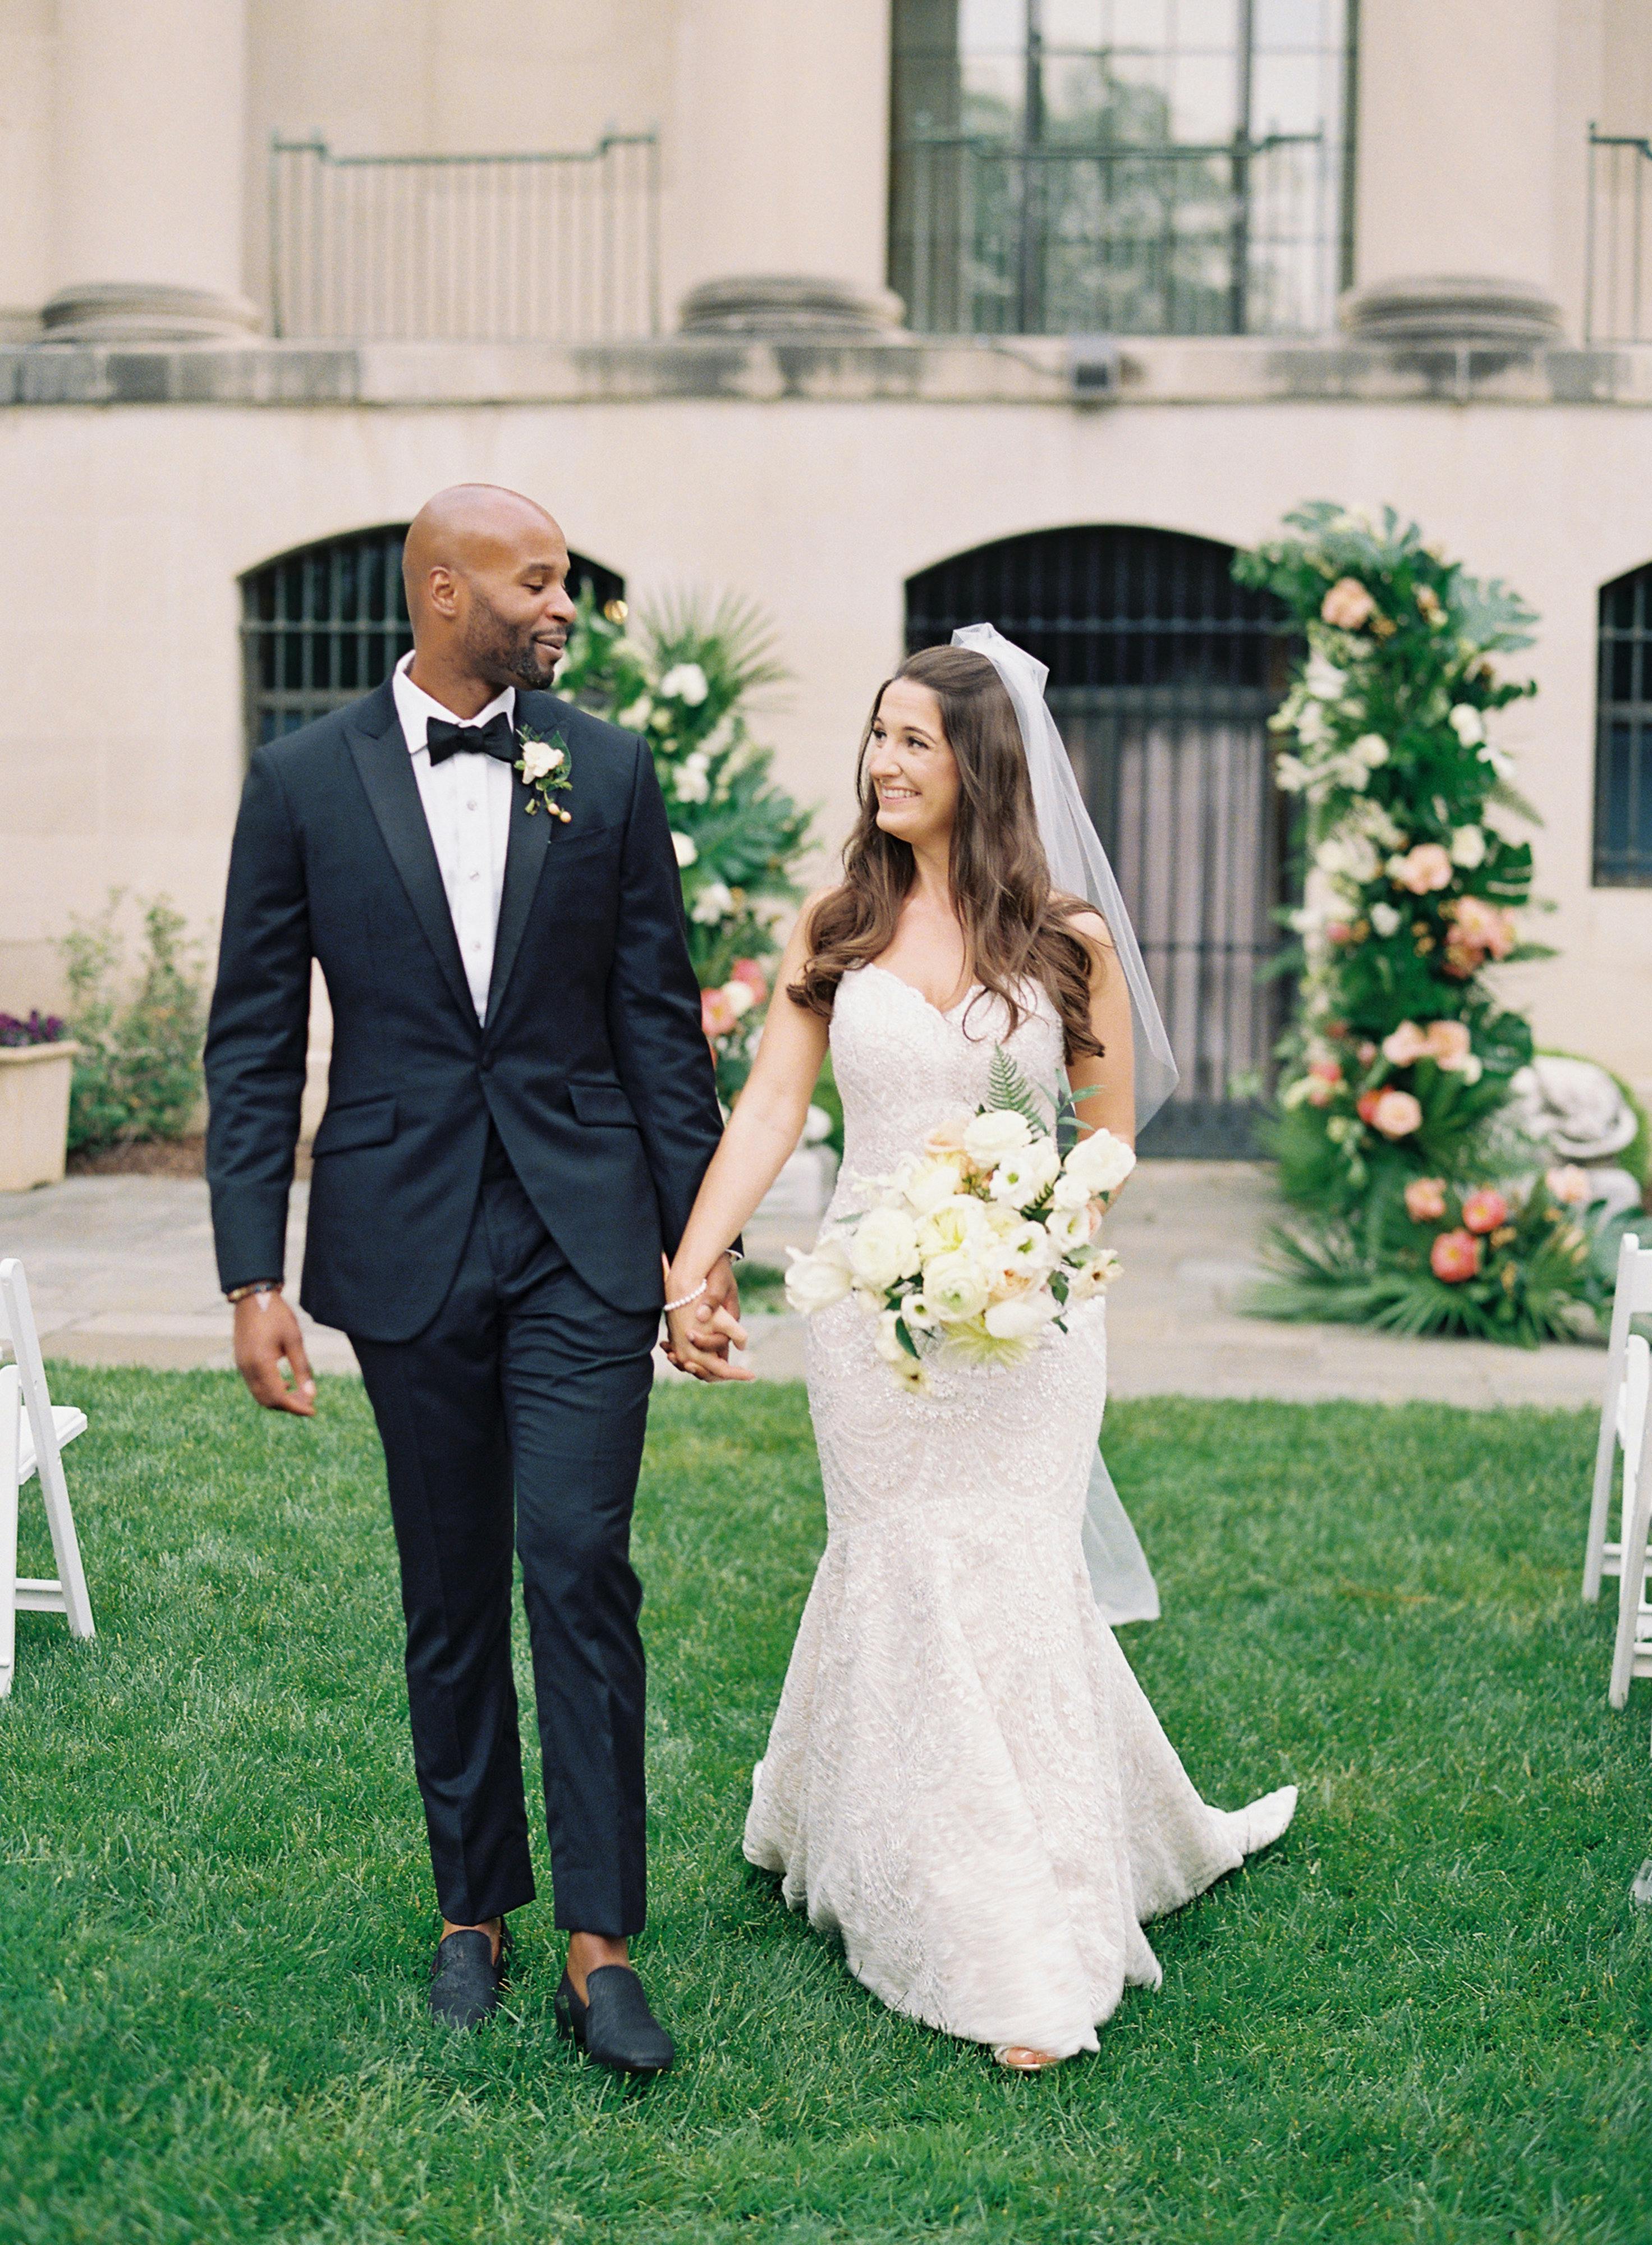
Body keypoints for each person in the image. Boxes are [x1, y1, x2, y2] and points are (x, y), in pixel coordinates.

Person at [665, 634, 1296, 2068]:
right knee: (895, 1563)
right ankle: (934, 1884)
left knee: (1009, 1573)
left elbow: (1109, 1137)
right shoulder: (837, 923)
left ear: (981, 766)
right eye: (876, 735)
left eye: (914, 742)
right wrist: (693, 1262)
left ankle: (1031, 1922)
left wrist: (1024, 1241)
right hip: (864, 1314)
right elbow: (769, 1109)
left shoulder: (1065, 941)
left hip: (1025, 1318)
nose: (882, 763)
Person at [204, 483, 736, 2074]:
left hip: (584, 1231)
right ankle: (472, 1910)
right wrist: (251, 1274)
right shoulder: (301, 779)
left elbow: (661, 1024)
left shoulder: (606, 768)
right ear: (444, 591)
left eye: (566, 582)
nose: (564, 606)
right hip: (403, 1230)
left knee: (576, 1562)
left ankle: (600, 1943)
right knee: (449, 1589)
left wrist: (700, 1255)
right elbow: (253, 1039)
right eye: (539, 581)